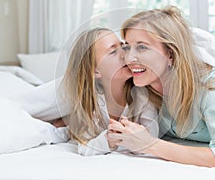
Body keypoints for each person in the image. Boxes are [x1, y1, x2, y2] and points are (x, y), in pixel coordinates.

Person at [107, 6, 215, 169]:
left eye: (142, 47)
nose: (129, 58)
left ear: (171, 54)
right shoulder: (141, 86)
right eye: (127, 47)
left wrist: (149, 144)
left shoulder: (209, 84)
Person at [60, 27, 159, 155]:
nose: (126, 53)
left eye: (123, 46)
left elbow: (151, 141)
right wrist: (110, 139)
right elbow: (85, 147)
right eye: (113, 52)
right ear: (95, 71)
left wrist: (127, 136)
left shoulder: (142, 94)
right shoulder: (91, 102)